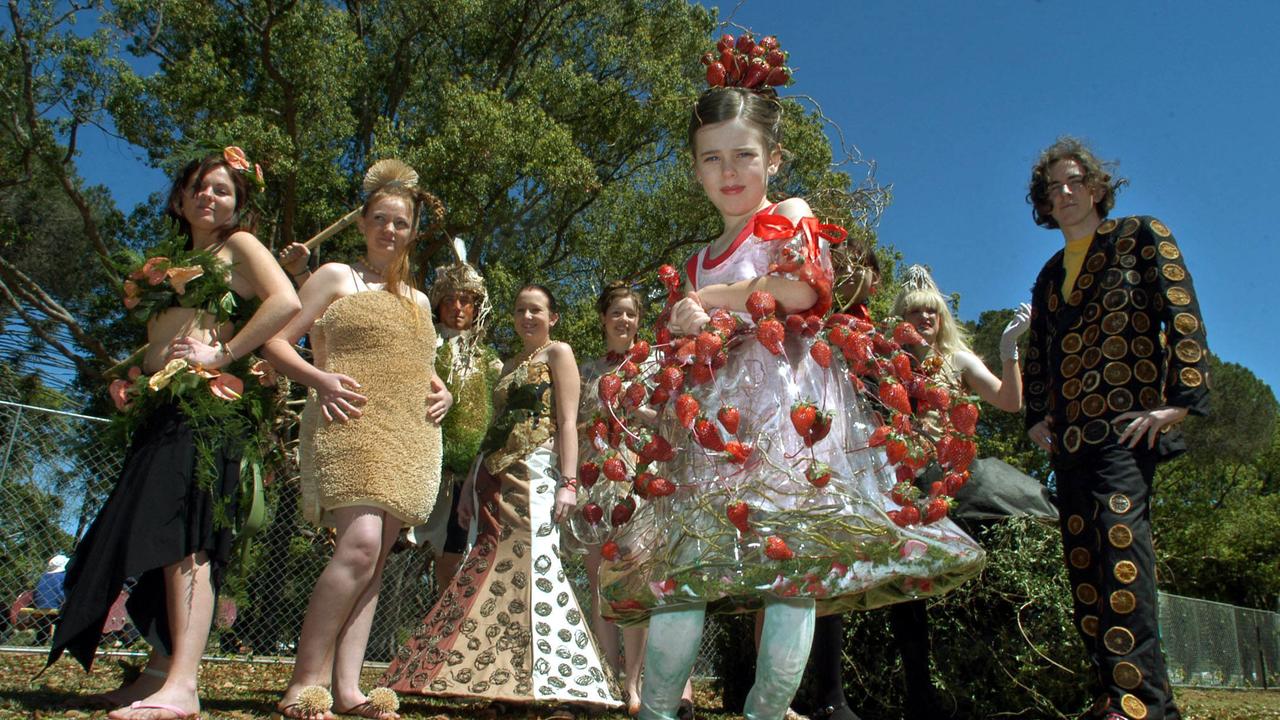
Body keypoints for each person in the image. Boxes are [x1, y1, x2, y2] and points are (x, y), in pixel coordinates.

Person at [596, 44, 984, 720]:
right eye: (712, 157)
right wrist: (683, 322)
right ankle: (657, 710)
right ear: (695, 170)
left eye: (744, 154)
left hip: (788, 420)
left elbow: (805, 287)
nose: (729, 171)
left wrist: (712, 301)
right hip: (713, 435)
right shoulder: (694, 262)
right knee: (683, 580)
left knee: (794, 577)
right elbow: (685, 345)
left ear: (773, 159)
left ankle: (766, 713)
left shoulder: (790, 215)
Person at [48, 146, 301, 720]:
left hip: (207, 413)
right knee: (154, 538)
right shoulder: (167, 266)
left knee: (187, 536)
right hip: (162, 411)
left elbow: (283, 299)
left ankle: (183, 685)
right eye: (199, 187)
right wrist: (134, 380)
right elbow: (161, 338)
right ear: (181, 197)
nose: (209, 197)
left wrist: (225, 353)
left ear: (237, 204)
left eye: (222, 190)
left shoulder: (236, 247)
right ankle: (159, 673)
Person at [1022, 137, 1210, 720]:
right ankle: (1113, 696)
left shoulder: (1140, 236)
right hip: (1071, 443)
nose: (1066, 193)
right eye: (1053, 187)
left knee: (1120, 546)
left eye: (1075, 180)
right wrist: (1034, 418)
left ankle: (1146, 707)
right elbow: (1040, 353)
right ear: (1044, 204)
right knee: (1084, 564)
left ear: (1099, 186)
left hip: (1126, 433)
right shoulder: (1050, 274)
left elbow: (1181, 312)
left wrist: (1178, 402)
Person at [263, 163, 453, 720]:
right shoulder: (332, 276)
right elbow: (274, 342)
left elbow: (421, 366)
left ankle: (348, 690)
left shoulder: (420, 301)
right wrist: (319, 380)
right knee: (360, 547)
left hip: (411, 437)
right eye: (380, 220)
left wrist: (443, 393)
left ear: (412, 231)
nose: (389, 231)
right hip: (351, 424)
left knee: (377, 561)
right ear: (364, 223)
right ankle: (303, 683)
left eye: (401, 223)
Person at [380, 285, 622, 717]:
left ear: (553, 317)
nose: (527, 316)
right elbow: (493, 429)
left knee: (539, 568)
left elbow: (567, 421)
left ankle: (573, 687)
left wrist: (569, 481)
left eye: (536, 310)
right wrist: (472, 483)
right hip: (495, 477)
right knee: (500, 576)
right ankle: (509, 687)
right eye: (520, 309)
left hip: (537, 473)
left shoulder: (558, 354)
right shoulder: (511, 364)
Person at [566, 283, 695, 718]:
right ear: (603, 318)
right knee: (600, 582)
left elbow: (670, 419)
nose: (624, 321)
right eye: (617, 313)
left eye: (632, 314)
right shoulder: (583, 370)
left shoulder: (654, 364)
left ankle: (634, 680)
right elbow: (570, 426)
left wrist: (631, 408)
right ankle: (606, 676)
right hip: (594, 482)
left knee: (635, 581)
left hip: (639, 481)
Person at [410, 239, 501, 591]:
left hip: (470, 472)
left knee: (458, 549)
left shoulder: (489, 360)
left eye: (466, 300)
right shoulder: (425, 345)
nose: (458, 307)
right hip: (424, 463)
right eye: (450, 299)